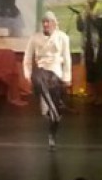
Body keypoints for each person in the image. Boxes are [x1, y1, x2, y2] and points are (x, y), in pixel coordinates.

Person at [23, 11, 72, 151]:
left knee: (54, 116)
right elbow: (27, 58)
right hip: (41, 73)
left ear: (54, 23)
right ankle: (53, 109)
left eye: (48, 21)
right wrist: (27, 74)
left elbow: (67, 58)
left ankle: (52, 134)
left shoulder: (63, 37)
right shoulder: (35, 38)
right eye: (44, 22)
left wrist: (67, 78)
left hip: (55, 75)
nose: (45, 24)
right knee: (39, 75)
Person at [75, 0, 102, 106]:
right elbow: (80, 28)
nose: (89, 0)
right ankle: (93, 95)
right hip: (87, 45)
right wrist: (79, 18)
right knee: (90, 71)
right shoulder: (84, 12)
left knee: (100, 71)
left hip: (99, 45)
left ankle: (100, 96)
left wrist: (91, 15)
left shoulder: (101, 10)